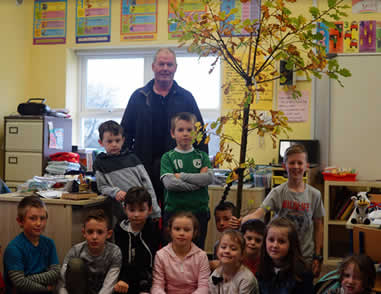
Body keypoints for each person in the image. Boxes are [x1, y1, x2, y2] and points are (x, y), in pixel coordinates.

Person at [121, 48, 208, 210]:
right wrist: (127, 166)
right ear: (153, 66)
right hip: (143, 170)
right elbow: (125, 134)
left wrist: (204, 164)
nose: (165, 68)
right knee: (146, 216)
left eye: (169, 64)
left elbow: (200, 134)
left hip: (179, 170)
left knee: (176, 218)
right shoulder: (138, 97)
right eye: (161, 64)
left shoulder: (186, 98)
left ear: (176, 67)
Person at [242, 144, 325, 277]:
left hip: (305, 255)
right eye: (292, 162)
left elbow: (318, 226)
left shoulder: (315, 195)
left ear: (306, 166)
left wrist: (318, 255)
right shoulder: (277, 193)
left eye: (300, 163)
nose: (296, 167)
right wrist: (241, 221)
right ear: (284, 165)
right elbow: (260, 212)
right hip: (280, 255)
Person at [160, 112, 213, 249]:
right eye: (180, 129)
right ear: (173, 133)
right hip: (174, 211)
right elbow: (170, 184)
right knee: (172, 252)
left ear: (196, 133)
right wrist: (198, 183)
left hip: (199, 211)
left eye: (190, 130)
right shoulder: (168, 157)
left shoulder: (202, 156)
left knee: (197, 251)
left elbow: (208, 178)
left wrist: (182, 176)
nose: (185, 133)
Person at [94, 120, 161, 221]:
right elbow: (102, 187)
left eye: (117, 140)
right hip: (121, 215)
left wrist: (155, 211)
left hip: (142, 211)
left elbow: (148, 185)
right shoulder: (100, 163)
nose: (114, 144)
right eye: (109, 141)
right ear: (101, 142)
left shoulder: (133, 159)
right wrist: (115, 192)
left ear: (123, 140)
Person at [3, 195, 60, 294]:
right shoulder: (14, 248)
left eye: (42, 218)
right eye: (33, 218)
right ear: (20, 221)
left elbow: (56, 272)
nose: (38, 223)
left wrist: (28, 278)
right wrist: (45, 289)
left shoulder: (49, 243)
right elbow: (20, 283)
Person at [58, 209, 122, 294]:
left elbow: (109, 285)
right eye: (90, 232)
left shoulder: (114, 252)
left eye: (100, 232)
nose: (94, 237)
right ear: (84, 233)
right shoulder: (76, 250)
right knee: (75, 264)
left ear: (108, 234)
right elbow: (63, 282)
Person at [113, 187, 161, 294]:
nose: (136, 214)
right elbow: (120, 258)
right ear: (125, 209)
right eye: (132, 210)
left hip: (147, 277)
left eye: (141, 210)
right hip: (124, 277)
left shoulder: (153, 229)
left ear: (149, 210)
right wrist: (123, 279)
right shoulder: (119, 229)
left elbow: (149, 259)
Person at [151, 211, 210, 294]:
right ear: (170, 231)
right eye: (177, 229)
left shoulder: (201, 256)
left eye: (187, 230)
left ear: (194, 232)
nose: (181, 233)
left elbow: (204, 286)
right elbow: (157, 286)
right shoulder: (161, 255)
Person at [257, 217, 314, 294]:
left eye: (281, 241)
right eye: (271, 240)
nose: (275, 245)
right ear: (265, 241)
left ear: (291, 244)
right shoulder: (261, 269)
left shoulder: (303, 273)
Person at [209, 230, 259, 294]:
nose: (227, 251)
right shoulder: (216, 274)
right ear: (217, 251)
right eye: (223, 247)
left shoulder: (246, 278)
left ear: (242, 254)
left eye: (233, 249)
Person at [210, 201, 240, 271]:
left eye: (226, 219)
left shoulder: (242, 241)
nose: (221, 223)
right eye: (217, 220)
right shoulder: (217, 245)